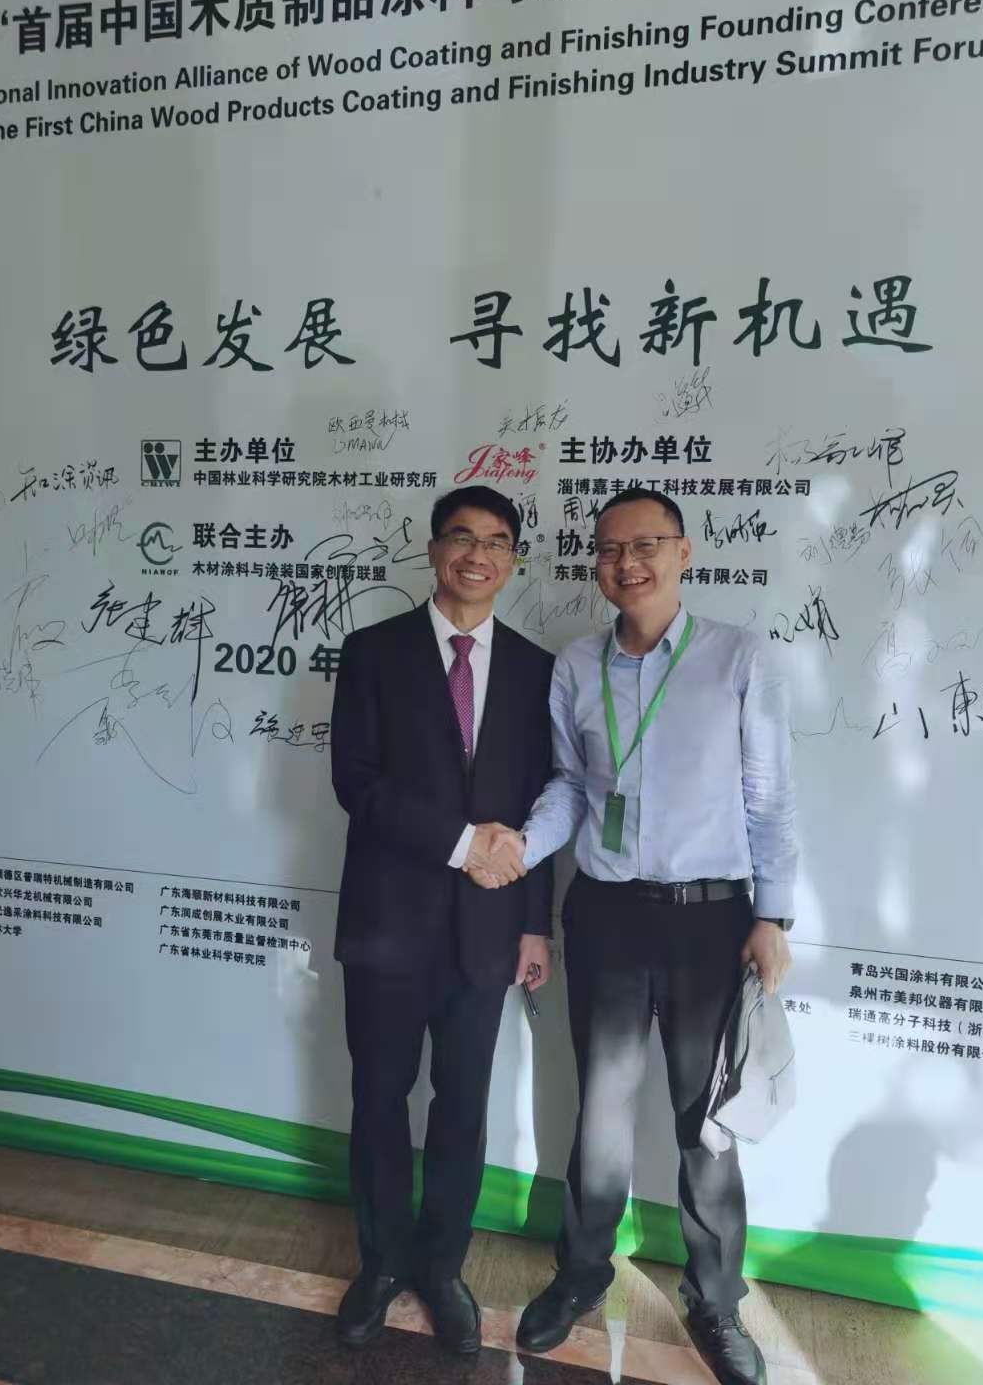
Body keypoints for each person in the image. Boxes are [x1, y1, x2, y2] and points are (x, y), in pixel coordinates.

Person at [471, 487, 796, 1385]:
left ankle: (716, 1300)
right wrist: (519, 847)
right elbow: (571, 787)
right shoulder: (578, 665)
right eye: (611, 550)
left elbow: (770, 798)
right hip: (608, 914)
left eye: (646, 545)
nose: (628, 563)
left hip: (711, 918)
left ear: (683, 553)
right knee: (603, 1112)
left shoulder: (739, 658)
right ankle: (581, 1272)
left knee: (707, 1120)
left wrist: (772, 915)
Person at [329, 484, 553, 1355]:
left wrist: (534, 925)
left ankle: (443, 1268)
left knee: (462, 1105)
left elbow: (541, 806)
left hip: (487, 931)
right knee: (380, 1099)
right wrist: (462, 844)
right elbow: (357, 783)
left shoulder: (536, 668)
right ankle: (381, 1263)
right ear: (433, 551)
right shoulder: (372, 651)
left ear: (512, 561)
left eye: (496, 542)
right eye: (461, 537)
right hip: (388, 925)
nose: (477, 555)